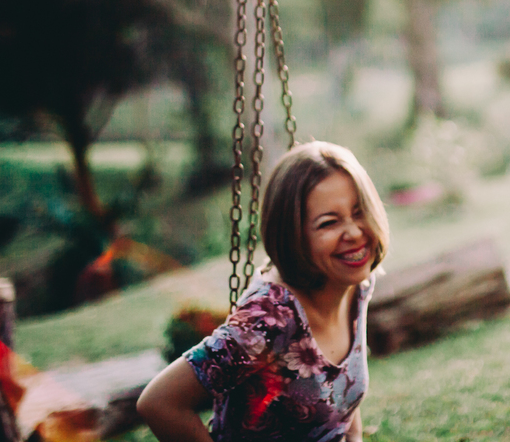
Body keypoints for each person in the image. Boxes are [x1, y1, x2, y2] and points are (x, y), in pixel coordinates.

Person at [137, 141, 390, 441]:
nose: (355, 232)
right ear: (294, 234)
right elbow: (159, 402)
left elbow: (342, 393)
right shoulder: (269, 320)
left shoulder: (354, 283)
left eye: (359, 212)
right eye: (329, 223)